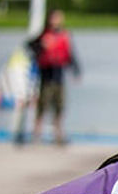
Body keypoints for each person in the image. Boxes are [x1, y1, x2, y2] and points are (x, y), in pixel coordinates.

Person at [28, 9, 80, 145]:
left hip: (59, 76)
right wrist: (41, 46)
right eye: (54, 18)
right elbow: (30, 46)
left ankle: (58, 135)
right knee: (42, 107)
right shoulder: (44, 35)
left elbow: (70, 55)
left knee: (59, 107)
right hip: (46, 76)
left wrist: (76, 71)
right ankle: (36, 135)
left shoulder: (64, 35)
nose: (56, 20)